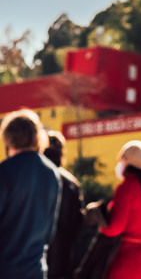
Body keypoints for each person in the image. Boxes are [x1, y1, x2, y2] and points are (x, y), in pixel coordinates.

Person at [0, 108, 61, 279]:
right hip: (35, 269)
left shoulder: (5, 171)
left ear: (9, 138)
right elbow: (50, 231)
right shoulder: (52, 173)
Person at [98, 140, 141, 279]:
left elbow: (115, 227)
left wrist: (101, 225)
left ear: (128, 163)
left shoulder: (127, 188)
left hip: (128, 265)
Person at [44, 130, 84, 279]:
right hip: (63, 256)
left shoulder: (33, 178)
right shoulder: (71, 183)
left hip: (35, 256)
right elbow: (78, 222)